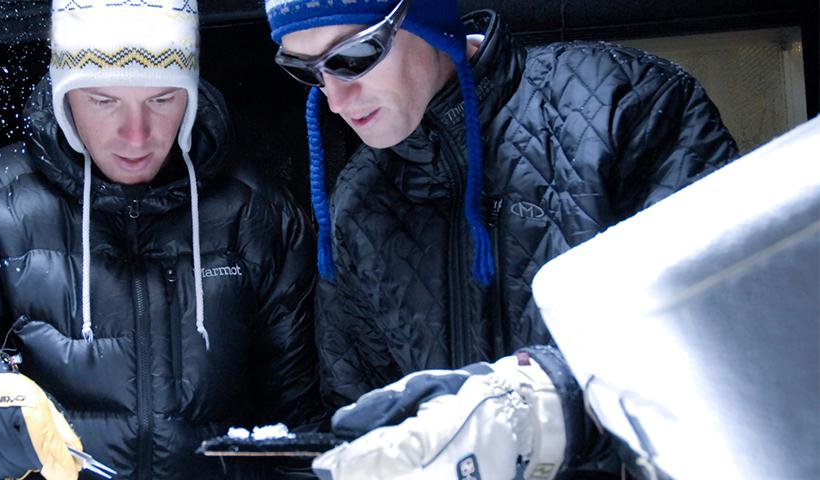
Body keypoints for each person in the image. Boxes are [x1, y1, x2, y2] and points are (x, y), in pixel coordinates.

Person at [264, 0, 738, 477]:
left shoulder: (627, 104)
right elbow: (362, 407)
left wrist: (552, 404)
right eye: (306, 71)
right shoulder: (357, 203)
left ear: (427, 19)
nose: (335, 99)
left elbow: (726, 330)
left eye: (353, 56)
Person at [0, 1, 321, 479]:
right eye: (103, 100)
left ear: (191, 98)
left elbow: (298, 425)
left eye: (162, 99)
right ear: (64, 98)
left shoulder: (257, 212)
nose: (136, 136)